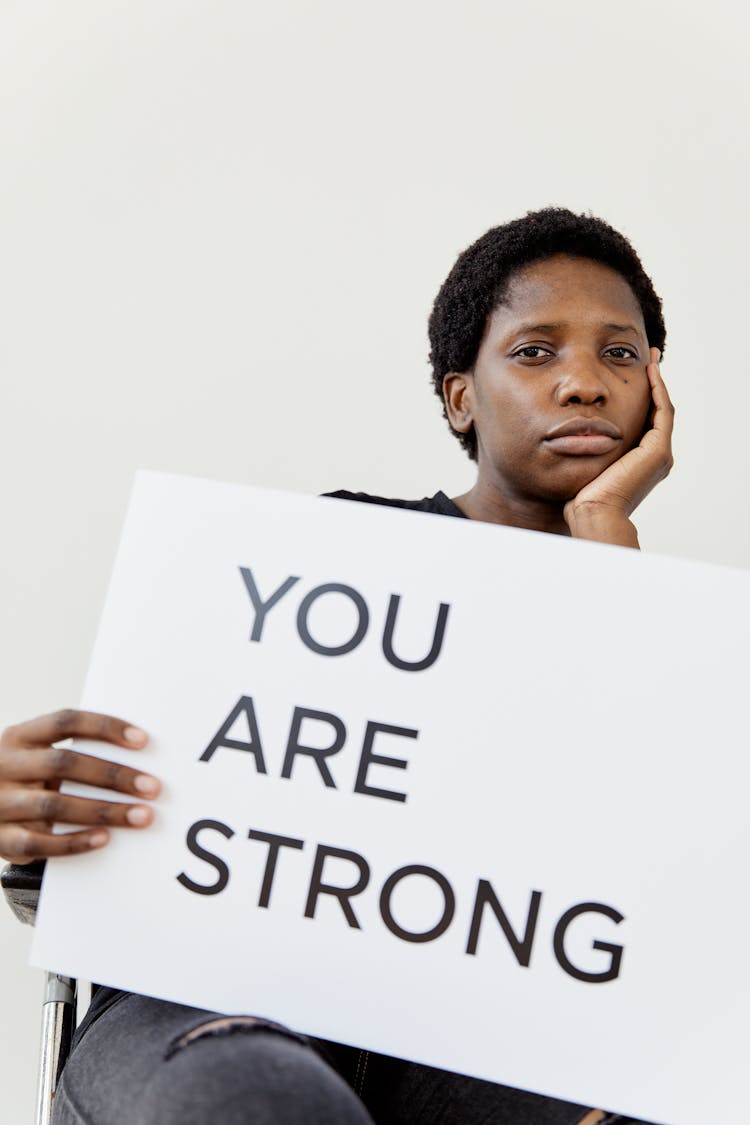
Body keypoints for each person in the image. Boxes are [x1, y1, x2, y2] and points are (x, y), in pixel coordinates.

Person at [0, 207, 673, 1124]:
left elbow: (655, 916)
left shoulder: (679, 649)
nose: (585, 384)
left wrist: (608, 580)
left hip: (465, 1042)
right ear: (459, 398)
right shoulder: (323, 556)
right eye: (534, 352)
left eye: (621, 355)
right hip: (217, 1005)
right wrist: (40, 811)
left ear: (659, 399)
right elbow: (159, 808)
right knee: (256, 1099)